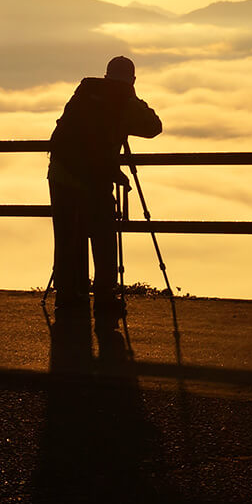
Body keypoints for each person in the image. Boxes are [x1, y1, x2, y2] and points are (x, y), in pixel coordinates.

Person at [47, 55, 162, 336]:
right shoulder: (125, 101)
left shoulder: (85, 92)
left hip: (60, 175)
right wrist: (133, 97)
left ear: (106, 75)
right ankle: (105, 298)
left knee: (67, 236)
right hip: (94, 181)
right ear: (132, 80)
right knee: (103, 237)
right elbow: (154, 126)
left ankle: (68, 296)